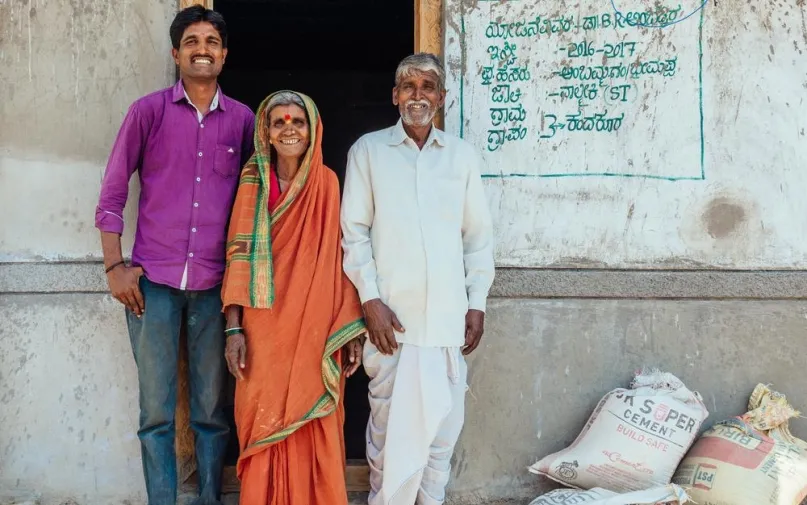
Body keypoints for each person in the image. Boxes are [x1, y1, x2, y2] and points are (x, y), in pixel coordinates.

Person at [94, 5, 255, 505]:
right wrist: (113, 266)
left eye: (211, 42)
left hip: (214, 287)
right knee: (156, 415)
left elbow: (258, 204)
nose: (201, 49)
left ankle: (208, 499)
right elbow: (113, 191)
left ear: (224, 55)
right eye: (191, 41)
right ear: (175, 53)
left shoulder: (245, 121)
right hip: (153, 286)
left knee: (211, 412)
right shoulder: (149, 112)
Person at [340, 53, 496, 505]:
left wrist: (477, 302)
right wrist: (369, 299)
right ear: (395, 96)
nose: (418, 95)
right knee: (391, 445)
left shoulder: (462, 157)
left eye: (428, 87)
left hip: (447, 325)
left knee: (441, 440)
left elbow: (478, 239)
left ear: (442, 98)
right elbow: (354, 233)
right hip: (393, 326)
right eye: (408, 86)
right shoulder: (368, 152)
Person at [221, 90, 366, 505]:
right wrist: (234, 328)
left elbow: (342, 258)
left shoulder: (328, 184)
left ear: (312, 130)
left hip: (316, 326)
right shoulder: (253, 180)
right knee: (261, 419)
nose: (289, 129)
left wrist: (350, 328)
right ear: (265, 132)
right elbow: (238, 254)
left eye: (297, 122)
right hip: (262, 329)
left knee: (314, 419)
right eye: (279, 122)